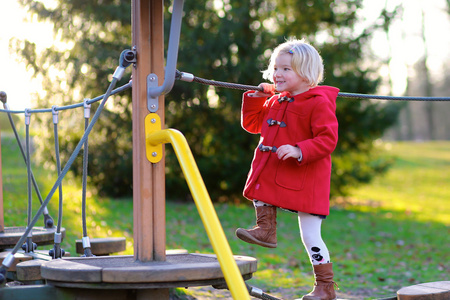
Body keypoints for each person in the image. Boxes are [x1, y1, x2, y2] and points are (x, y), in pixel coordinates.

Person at [235, 37, 339, 300]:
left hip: (308, 176)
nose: (277, 74)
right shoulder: (276, 101)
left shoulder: (318, 102)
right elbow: (253, 125)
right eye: (275, 68)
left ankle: (325, 287)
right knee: (261, 181)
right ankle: (266, 229)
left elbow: (328, 139)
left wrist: (299, 149)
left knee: (310, 236)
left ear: (305, 74)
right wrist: (257, 98)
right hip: (281, 172)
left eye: (286, 69)